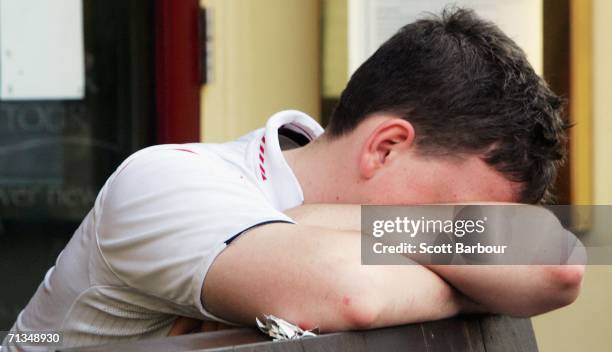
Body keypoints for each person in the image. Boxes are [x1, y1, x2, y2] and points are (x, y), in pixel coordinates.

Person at [3, 8, 584, 350]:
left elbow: (557, 262)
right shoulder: (163, 181)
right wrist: (483, 276)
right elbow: (350, 292)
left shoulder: (316, 219)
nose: (462, 243)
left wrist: (318, 223)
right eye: (458, 218)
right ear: (385, 147)